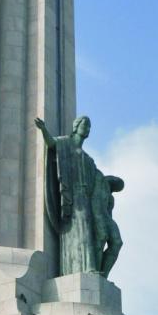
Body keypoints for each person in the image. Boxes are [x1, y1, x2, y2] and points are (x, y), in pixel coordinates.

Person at [35, 114, 124, 278]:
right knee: (82, 231)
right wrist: (43, 129)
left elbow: (99, 182)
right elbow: (52, 144)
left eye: (89, 126)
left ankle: (94, 270)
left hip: (87, 198)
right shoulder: (66, 143)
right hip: (74, 197)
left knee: (92, 232)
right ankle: (85, 267)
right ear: (76, 127)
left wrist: (110, 184)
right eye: (85, 125)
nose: (88, 128)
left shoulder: (89, 160)